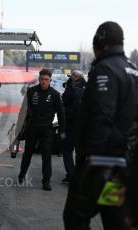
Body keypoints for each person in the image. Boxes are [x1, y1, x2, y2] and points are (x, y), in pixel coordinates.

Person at [63, 21, 137, 230]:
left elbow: (103, 117)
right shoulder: (132, 70)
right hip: (122, 163)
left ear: (100, 40)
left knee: (75, 216)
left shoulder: (105, 69)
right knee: (114, 218)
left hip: (101, 162)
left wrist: (89, 159)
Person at [17, 68, 65, 191]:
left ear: (50, 80)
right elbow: (23, 112)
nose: (44, 82)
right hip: (32, 128)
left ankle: (46, 181)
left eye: (46, 80)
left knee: (46, 155)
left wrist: (62, 132)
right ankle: (22, 174)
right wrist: (18, 129)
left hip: (47, 130)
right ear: (39, 79)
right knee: (28, 153)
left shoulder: (55, 94)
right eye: (42, 79)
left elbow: (61, 114)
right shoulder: (31, 91)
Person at [60, 70, 86, 183]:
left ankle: (71, 175)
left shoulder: (71, 88)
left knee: (67, 150)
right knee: (80, 153)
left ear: (75, 77)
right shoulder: (89, 88)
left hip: (71, 124)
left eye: (71, 77)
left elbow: (64, 101)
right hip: (83, 127)